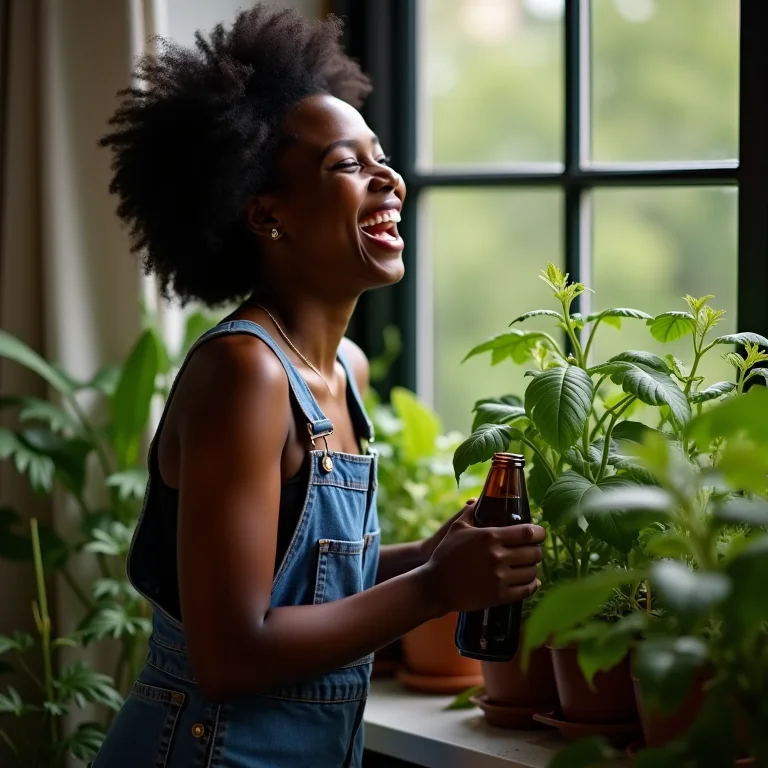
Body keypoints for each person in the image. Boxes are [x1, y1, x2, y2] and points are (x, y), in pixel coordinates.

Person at [92, 5, 545, 767]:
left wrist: (425, 556)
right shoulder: (245, 375)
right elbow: (231, 655)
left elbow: (296, 588)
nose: (389, 179)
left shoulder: (344, 371)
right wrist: (435, 587)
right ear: (267, 215)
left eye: (382, 156)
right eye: (348, 165)